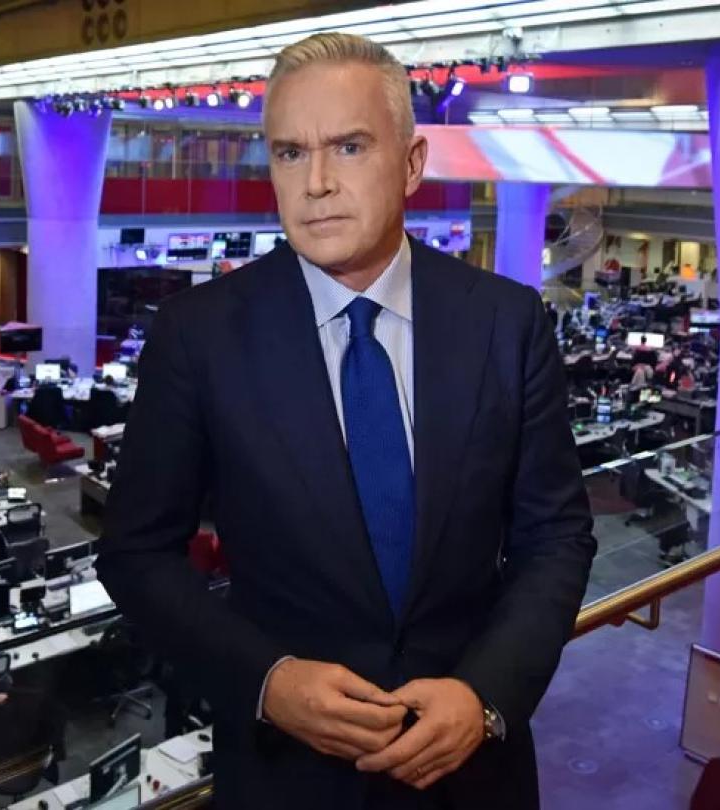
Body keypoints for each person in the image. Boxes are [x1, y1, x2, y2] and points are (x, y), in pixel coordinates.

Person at [97, 33, 595, 810]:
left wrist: (485, 696)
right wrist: (267, 681)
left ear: (412, 163)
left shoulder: (506, 322)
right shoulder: (199, 334)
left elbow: (555, 539)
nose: (317, 183)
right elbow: (135, 555)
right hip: (286, 776)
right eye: (290, 153)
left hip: (472, 777)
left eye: (349, 146)